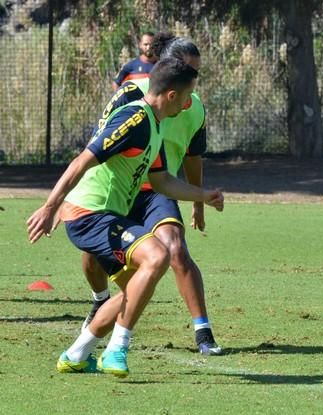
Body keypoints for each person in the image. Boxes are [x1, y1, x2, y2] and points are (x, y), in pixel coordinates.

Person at [27, 57, 224, 377]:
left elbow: (161, 181)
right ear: (172, 96)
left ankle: (76, 354)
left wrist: (204, 197)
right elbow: (82, 160)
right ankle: (117, 348)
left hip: (104, 215)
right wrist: (51, 206)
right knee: (157, 255)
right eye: (188, 96)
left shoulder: (155, 123)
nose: (190, 104)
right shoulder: (134, 119)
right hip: (88, 213)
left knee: (134, 291)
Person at [81, 36, 223, 356]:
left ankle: (203, 331)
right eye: (189, 70)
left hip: (158, 189)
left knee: (175, 248)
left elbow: (192, 157)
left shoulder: (194, 107)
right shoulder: (132, 93)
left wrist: (199, 202)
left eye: (197, 72)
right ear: (166, 67)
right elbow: (100, 141)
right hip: (119, 189)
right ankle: (100, 301)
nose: (194, 79)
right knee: (92, 258)